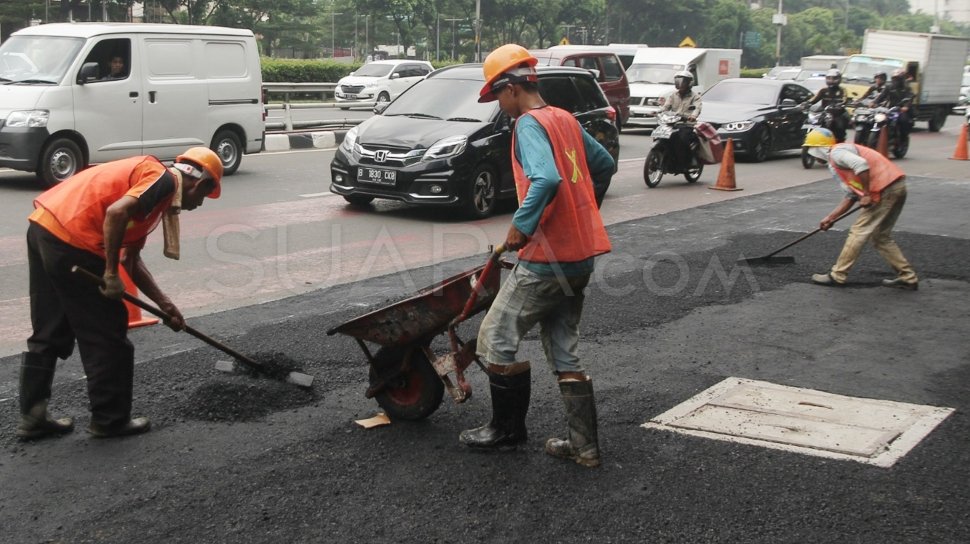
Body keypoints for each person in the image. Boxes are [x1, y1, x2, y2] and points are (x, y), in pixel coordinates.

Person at [458, 44, 615, 468]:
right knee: (565, 351)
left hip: (546, 259)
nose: (500, 106)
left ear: (511, 88)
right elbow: (603, 165)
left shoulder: (528, 125)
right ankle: (584, 447)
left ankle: (506, 431)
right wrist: (582, 212)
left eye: (498, 96)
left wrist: (521, 227)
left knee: (494, 339)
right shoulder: (564, 118)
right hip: (581, 257)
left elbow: (544, 178)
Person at [17, 147, 223, 440]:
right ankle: (110, 420)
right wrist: (110, 275)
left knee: (50, 327)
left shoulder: (152, 191)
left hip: (45, 229)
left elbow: (131, 259)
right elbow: (115, 213)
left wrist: (165, 305)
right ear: (199, 184)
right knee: (107, 334)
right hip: (74, 240)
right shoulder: (163, 180)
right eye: (203, 197)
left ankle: (33, 416)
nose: (199, 204)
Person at [802, 128, 918, 290]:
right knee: (880, 236)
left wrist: (866, 194)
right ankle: (907, 277)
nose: (812, 155)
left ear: (817, 149)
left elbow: (861, 165)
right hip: (896, 186)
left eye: (811, 150)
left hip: (884, 189)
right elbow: (851, 196)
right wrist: (831, 217)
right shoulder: (837, 159)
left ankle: (838, 275)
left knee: (858, 232)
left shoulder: (837, 153)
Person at [660, 70, 703, 171]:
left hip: (687, 124)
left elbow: (697, 108)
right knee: (661, 136)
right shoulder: (673, 95)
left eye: (683, 81)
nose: (680, 83)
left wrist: (693, 116)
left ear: (689, 83)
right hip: (672, 123)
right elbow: (665, 107)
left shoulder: (695, 97)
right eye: (678, 81)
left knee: (682, 139)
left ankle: (688, 161)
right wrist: (657, 112)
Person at [802, 68, 850, 142]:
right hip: (824, 113)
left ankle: (839, 140)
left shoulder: (842, 90)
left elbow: (845, 99)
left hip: (838, 113)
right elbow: (814, 99)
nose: (831, 80)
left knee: (840, 126)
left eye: (834, 78)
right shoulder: (823, 90)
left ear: (839, 79)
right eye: (829, 78)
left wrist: (841, 104)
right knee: (810, 122)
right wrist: (806, 103)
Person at [882, 68, 915, 142]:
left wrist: (905, 106)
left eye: (897, 79)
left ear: (902, 79)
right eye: (894, 79)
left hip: (901, 110)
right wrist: (873, 102)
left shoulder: (907, 88)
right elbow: (881, 96)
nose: (895, 81)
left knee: (903, 120)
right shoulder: (889, 87)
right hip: (890, 109)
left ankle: (903, 138)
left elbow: (910, 97)